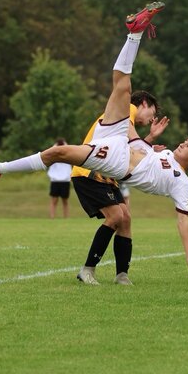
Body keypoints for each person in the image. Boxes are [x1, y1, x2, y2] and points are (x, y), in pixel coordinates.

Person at [0, 2, 188, 282]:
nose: (182, 144)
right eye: (185, 142)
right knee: (122, 86)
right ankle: (135, 32)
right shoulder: (160, 152)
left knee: (60, 152)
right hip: (115, 141)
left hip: (116, 161)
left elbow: (183, 219)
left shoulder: (181, 182)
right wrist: (150, 141)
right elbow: (138, 146)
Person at [69, 90, 168, 286]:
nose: (151, 120)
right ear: (144, 103)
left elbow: (129, 152)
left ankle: (122, 275)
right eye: (152, 113)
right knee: (115, 216)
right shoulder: (126, 109)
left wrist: (149, 140)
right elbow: (134, 143)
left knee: (125, 218)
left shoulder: (123, 121)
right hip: (88, 172)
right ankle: (87, 270)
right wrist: (146, 144)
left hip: (104, 176)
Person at [46, 138, 72, 218]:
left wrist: (64, 144)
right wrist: (57, 145)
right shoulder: (53, 155)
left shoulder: (68, 155)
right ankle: (52, 217)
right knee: (54, 200)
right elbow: (50, 150)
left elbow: (70, 149)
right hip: (55, 180)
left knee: (65, 201)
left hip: (65, 180)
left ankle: (66, 217)